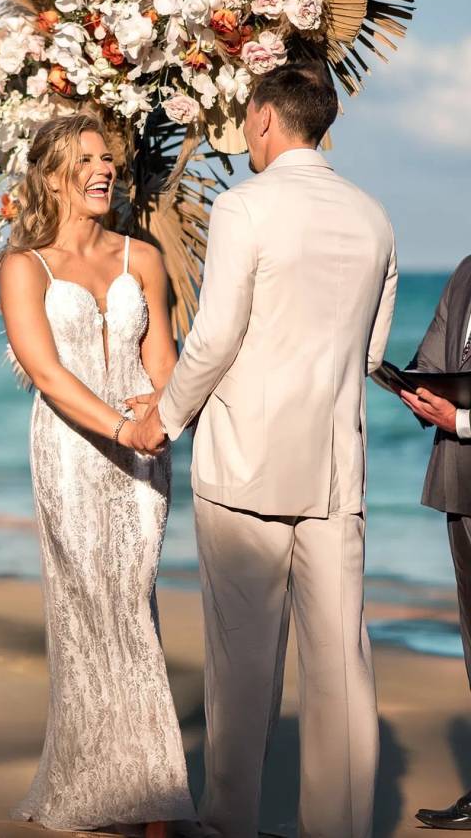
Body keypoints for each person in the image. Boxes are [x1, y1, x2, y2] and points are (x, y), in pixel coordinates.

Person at [129, 62, 398, 838]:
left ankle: (229, 824)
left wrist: (164, 417)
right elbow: (371, 354)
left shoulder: (244, 206)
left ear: (265, 118)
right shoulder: (374, 218)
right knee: (340, 668)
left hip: (245, 465)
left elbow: (214, 337)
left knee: (243, 667)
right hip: (336, 473)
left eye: (248, 119)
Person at [0, 113, 195, 836]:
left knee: (131, 602)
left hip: (145, 454)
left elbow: (164, 358)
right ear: (53, 176)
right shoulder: (25, 266)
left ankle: (139, 791)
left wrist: (162, 414)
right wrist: (120, 426)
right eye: (85, 159)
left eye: (107, 158)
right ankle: (130, 793)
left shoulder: (143, 257)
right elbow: (47, 373)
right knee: (91, 608)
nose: (104, 168)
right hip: (73, 452)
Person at [396, 257, 471, 830]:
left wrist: (461, 421)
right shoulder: (465, 272)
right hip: (460, 487)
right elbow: (432, 360)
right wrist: (413, 390)